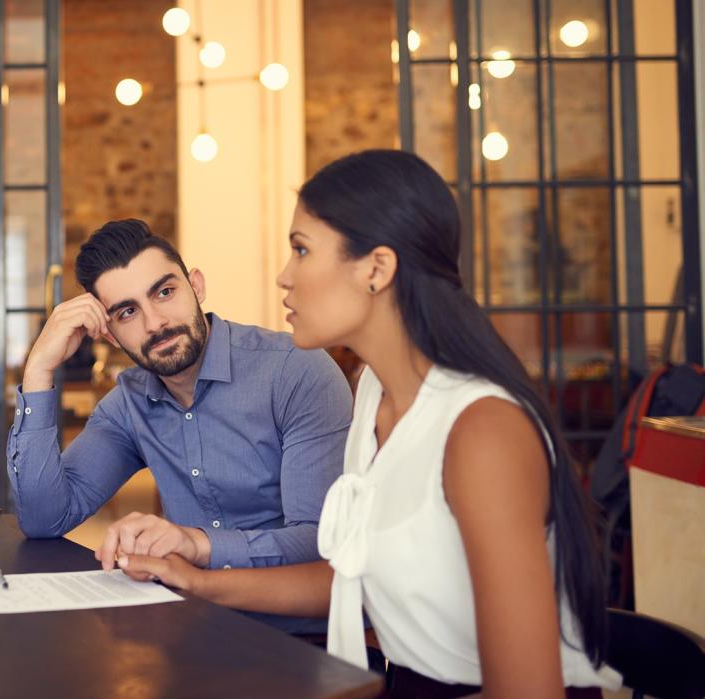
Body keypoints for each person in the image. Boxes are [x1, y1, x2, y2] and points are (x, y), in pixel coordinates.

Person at [118, 150, 620, 696]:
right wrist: (194, 581)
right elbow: (356, 581)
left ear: (377, 269)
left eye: (301, 250)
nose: (284, 277)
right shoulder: (374, 394)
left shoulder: (481, 430)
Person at [7, 219, 352, 633]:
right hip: (192, 630)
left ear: (197, 287)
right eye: (128, 312)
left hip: (302, 638)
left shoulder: (294, 371)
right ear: (111, 335)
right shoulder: (129, 403)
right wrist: (39, 369)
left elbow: (319, 539)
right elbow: (45, 518)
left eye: (165, 292)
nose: (155, 323)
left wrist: (196, 544)